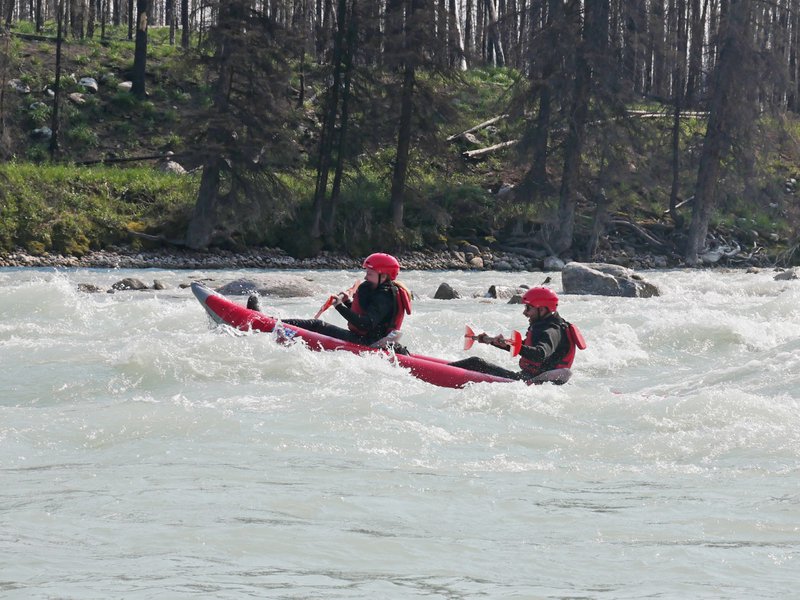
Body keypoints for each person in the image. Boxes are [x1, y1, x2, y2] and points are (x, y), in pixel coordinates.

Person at [248, 253, 412, 350]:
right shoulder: (382, 291)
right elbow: (370, 317)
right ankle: (271, 322)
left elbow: (365, 324)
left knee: (316, 325)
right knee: (316, 325)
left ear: (384, 275)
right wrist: (348, 303)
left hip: (369, 342)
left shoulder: (384, 297)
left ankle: (266, 323)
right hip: (372, 338)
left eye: (370, 273)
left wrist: (339, 306)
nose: (365, 277)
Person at [448, 287, 585, 384]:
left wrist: (515, 346)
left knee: (475, 363)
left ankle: (442, 371)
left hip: (531, 382)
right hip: (528, 378)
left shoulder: (551, 330)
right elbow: (526, 348)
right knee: (475, 363)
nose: (525, 313)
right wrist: (499, 343)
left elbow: (540, 354)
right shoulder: (547, 325)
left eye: (528, 308)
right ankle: (447, 367)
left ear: (542, 310)